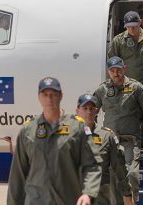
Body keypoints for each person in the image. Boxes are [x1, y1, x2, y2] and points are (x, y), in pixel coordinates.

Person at [7, 77, 101, 205]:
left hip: (69, 200)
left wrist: (88, 193)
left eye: (54, 94)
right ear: (39, 97)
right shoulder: (28, 131)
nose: (49, 99)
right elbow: (17, 175)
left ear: (61, 96)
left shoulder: (77, 128)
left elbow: (91, 165)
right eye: (45, 94)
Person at [93, 56, 143, 203]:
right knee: (106, 178)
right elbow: (91, 111)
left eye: (119, 70)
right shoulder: (103, 90)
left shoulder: (136, 88)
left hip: (129, 140)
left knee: (131, 175)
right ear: (108, 72)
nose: (116, 73)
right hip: (109, 142)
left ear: (124, 69)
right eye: (112, 70)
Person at [75, 94, 133, 205]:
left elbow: (119, 167)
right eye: (85, 108)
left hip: (100, 196)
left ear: (96, 111)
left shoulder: (107, 136)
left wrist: (127, 194)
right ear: (77, 111)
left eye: (91, 108)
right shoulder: (70, 136)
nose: (89, 112)